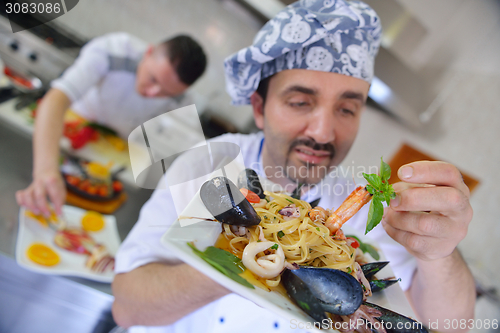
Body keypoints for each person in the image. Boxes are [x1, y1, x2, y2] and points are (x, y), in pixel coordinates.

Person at [112, 1, 475, 332]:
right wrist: (247, 256)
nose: (323, 132)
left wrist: (440, 254)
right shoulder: (211, 163)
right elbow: (128, 309)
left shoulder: (369, 210)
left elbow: (449, 326)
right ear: (258, 108)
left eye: (347, 108)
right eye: (300, 102)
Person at [16, 32, 207, 217]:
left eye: (165, 93)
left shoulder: (182, 97)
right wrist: (45, 169)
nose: (152, 93)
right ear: (148, 52)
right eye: (153, 79)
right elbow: (56, 99)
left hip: (109, 154)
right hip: (63, 136)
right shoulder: (113, 49)